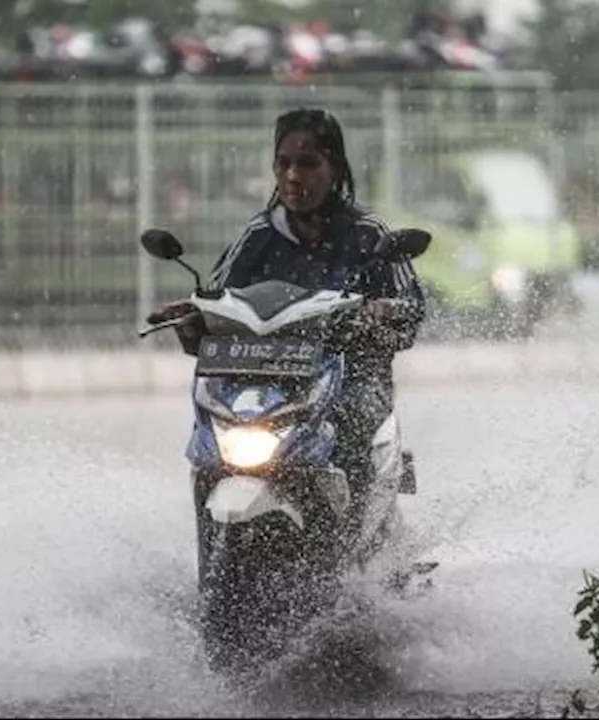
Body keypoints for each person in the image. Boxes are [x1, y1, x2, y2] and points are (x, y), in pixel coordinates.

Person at [148, 107, 427, 540]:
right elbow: (219, 303)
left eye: (308, 163)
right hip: (264, 388)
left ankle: (355, 545)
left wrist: (382, 311)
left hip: (348, 385)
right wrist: (188, 317)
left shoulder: (369, 235)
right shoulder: (257, 237)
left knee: (353, 427)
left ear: (335, 168)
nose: (294, 176)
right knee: (210, 453)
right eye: (284, 163)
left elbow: (412, 308)